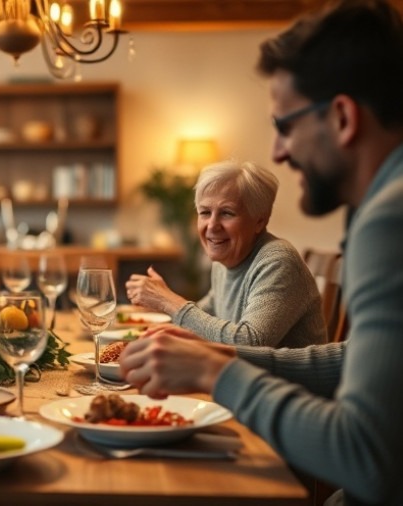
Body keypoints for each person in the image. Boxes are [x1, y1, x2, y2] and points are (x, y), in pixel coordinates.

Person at [119, 1, 403, 504]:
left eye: (285, 124)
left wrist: (217, 370)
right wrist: (216, 354)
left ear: (341, 117)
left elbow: (366, 459)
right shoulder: (377, 207)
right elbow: (354, 360)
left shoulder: (389, 218)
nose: (277, 151)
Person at [125, 160, 326, 348]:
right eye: (204, 212)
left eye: (227, 213)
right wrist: (160, 308)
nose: (212, 226)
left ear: (259, 221)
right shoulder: (224, 260)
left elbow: (249, 343)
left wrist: (168, 301)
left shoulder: (278, 261)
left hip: (282, 385)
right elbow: (208, 312)